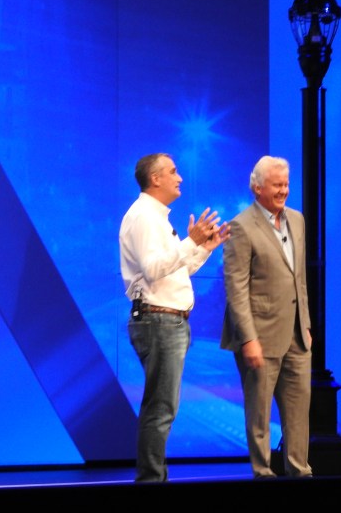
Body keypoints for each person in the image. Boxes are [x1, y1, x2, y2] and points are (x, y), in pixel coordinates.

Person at [119, 152, 230, 482]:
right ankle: (151, 480)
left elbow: (176, 269)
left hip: (168, 321)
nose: (179, 177)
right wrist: (189, 242)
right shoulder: (144, 217)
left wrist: (203, 248)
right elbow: (154, 270)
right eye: (173, 171)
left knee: (162, 406)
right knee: (160, 408)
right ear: (155, 179)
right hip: (159, 321)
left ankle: (154, 477)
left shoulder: (157, 218)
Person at [221, 155, 313, 478]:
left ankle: (300, 471)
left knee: (299, 411)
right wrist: (248, 338)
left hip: (297, 336)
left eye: (286, 184)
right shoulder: (241, 227)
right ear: (257, 187)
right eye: (277, 185)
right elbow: (236, 289)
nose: (284, 190)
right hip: (260, 337)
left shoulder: (297, 221)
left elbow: (297, 276)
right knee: (259, 414)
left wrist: (307, 324)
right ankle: (263, 472)